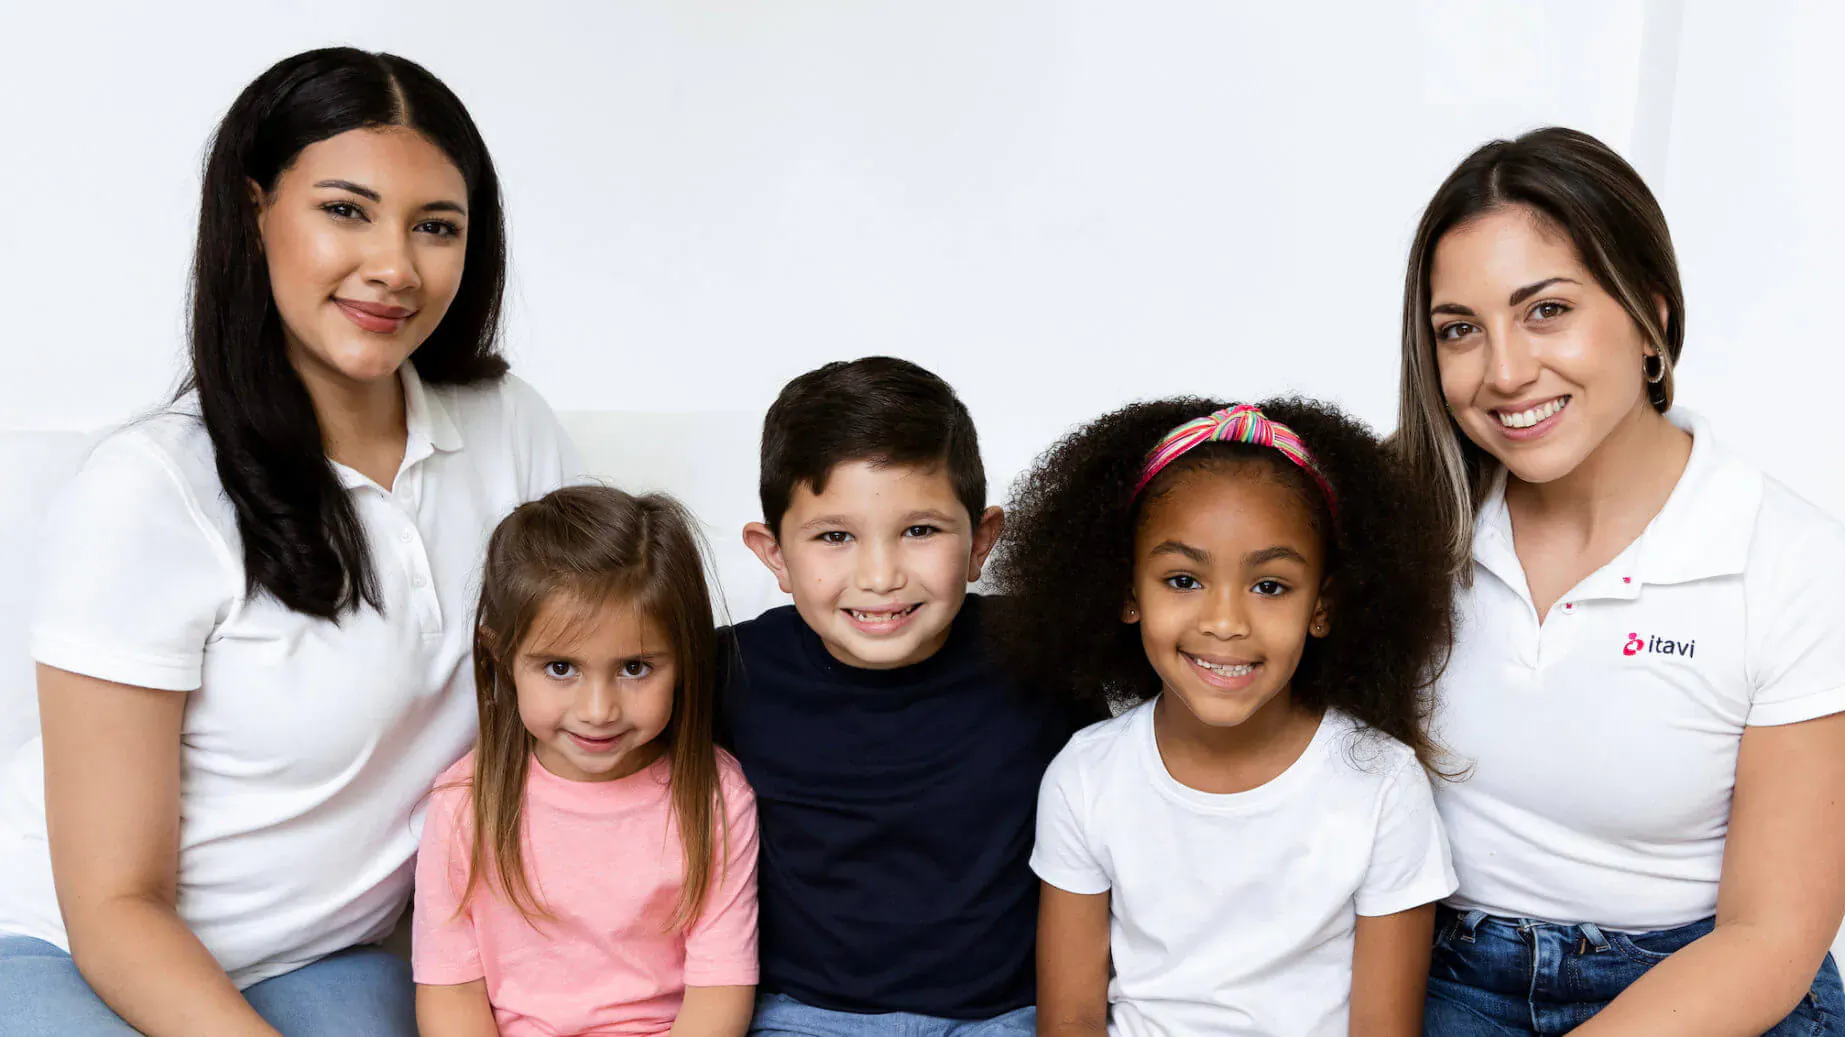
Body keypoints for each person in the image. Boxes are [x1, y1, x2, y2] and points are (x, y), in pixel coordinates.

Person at [0, 47, 575, 1036]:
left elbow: (615, 660)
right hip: (74, 946)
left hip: (323, 955)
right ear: (255, 207)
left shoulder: (507, 427)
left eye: (437, 226)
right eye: (345, 210)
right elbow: (114, 904)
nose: (396, 266)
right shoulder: (153, 489)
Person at [1397, 127, 1845, 1036]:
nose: (1504, 372)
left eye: (1546, 311)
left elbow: (1769, 936)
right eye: (1460, 330)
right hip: (1443, 970)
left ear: (1653, 318)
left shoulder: (1792, 561)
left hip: (1703, 980)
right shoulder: (1409, 526)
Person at [994, 397, 1459, 1037]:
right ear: (1130, 594)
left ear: (1321, 608)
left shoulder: (1382, 784)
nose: (1225, 622)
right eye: (1183, 580)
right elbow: (1070, 1020)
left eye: (1270, 586)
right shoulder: (1087, 775)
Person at [721, 357, 1090, 1035]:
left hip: (1001, 1016)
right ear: (774, 555)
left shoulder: (1044, 656)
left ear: (981, 542)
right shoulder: (728, 671)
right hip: (803, 1015)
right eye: (835, 536)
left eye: (920, 531)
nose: (881, 575)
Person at [413, 486, 759, 1037]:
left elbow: (719, 991)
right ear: (501, 656)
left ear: (686, 658)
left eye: (636, 668)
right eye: (559, 669)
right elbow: (452, 990)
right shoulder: (463, 804)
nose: (599, 711)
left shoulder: (716, 797)